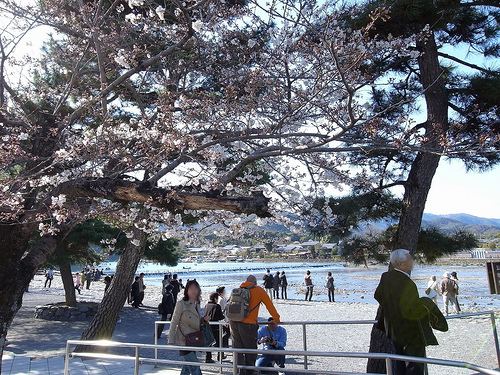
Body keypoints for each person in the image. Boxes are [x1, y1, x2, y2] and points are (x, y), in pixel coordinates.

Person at [375, 249, 448, 375]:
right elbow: (412, 308)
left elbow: (377, 295)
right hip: (410, 331)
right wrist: (426, 302)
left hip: (393, 330)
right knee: (414, 366)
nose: (413, 261)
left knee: (399, 363)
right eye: (410, 259)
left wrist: (392, 308)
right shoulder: (406, 282)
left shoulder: (386, 277)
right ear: (401, 264)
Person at [230, 275, 280, 375]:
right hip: (248, 324)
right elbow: (269, 305)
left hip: (233, 323)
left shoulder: (238, 290)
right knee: (250, 351)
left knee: (237, 350)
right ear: (255, 282)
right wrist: (276, 318)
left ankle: (239, 372)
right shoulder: (259, 290)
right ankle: (250, 372)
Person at [168, 280, 208, 375]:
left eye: (196, 288)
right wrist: (171, 340)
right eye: (191, 289)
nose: (194, 291)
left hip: (194, 339)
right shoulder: (181, 304)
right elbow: (174, 322)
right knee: (195, 367)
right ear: (186, 291)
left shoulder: (197, 303)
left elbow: (196, 320)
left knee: (187, 367)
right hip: (184, 340)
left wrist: (204, 320)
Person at [204, 292, 226, 363]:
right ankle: (220, 356)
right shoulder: (217, 306)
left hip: (207, 325)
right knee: (219, 342)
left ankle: (208, 357)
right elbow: (220, 317)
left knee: (209, 343)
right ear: (215, 298)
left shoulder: (207, 305)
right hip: (215, 326)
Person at [216, 286, 230, 352]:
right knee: (227, 333)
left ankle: (225, 345)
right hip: (224, 318)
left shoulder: (223, 298)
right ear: (221, 292)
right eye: (224, 290)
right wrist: (224, 320)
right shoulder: (221, 299)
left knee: (226, 332)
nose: (225, 291)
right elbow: (223, 310)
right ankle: (222, 344)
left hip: (226, 318)